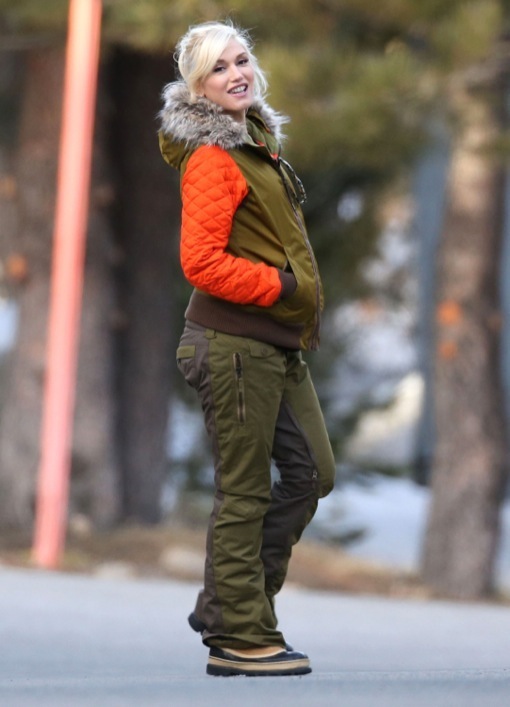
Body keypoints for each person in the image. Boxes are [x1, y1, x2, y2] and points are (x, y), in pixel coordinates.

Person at [158, 20, 335, 677]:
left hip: (273, 344)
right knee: (245, 490)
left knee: (312, 473)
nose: (236, 74)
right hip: (232, 343)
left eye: (241, 60)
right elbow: (201, 262)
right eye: (218, 68)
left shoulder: (257, 145)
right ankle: (241, 633)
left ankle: (225, 606)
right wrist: (281, 288)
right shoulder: (214, 157)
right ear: (197, 87)